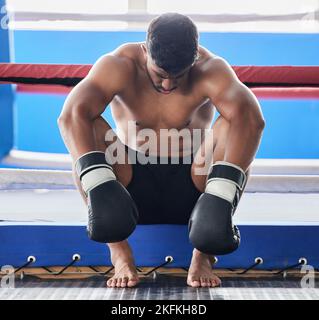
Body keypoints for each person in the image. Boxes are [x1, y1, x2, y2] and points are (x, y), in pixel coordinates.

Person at [58, 12, 265, 288]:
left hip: (196, 183)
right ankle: (119, 252)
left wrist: (224, 192)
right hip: (129, 182)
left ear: (193, 60)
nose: (168, 85)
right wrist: (96, 181)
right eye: (160, 75)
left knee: (237, 122)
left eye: (178, 76)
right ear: (145, 50)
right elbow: (71, 115)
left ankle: (204, 255)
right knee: (85, 130)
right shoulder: (119, 65)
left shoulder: (211, 68)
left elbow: (252, 120)